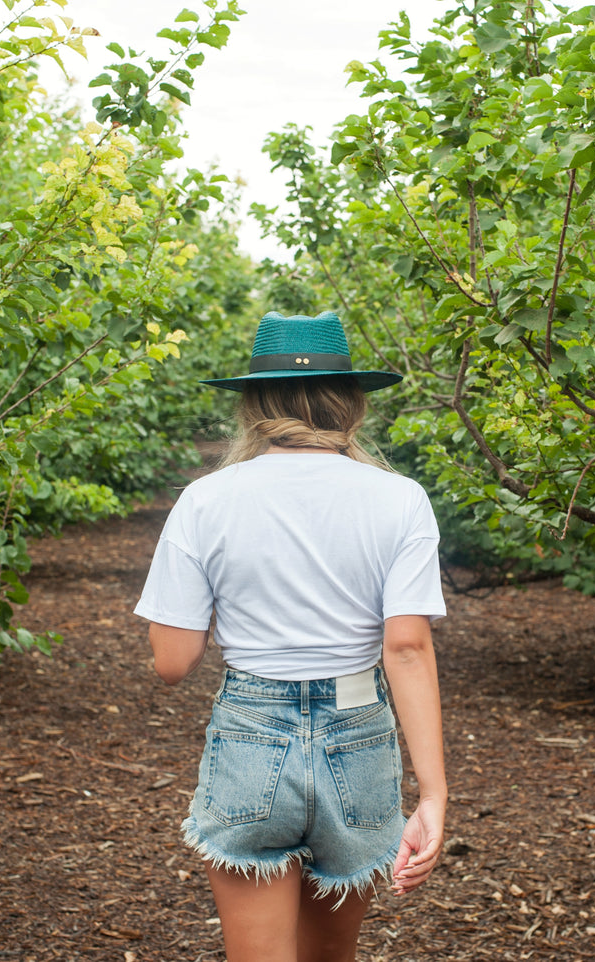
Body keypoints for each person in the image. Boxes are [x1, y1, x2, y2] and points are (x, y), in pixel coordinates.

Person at [134, 310, 447, 962]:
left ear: (252, 402)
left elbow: (172, 661)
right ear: (352, 401)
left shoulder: (206, 500)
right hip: (359, 736)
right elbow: (407, 648)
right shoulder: (399, 499)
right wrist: (434, 794)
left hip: (253, 732)